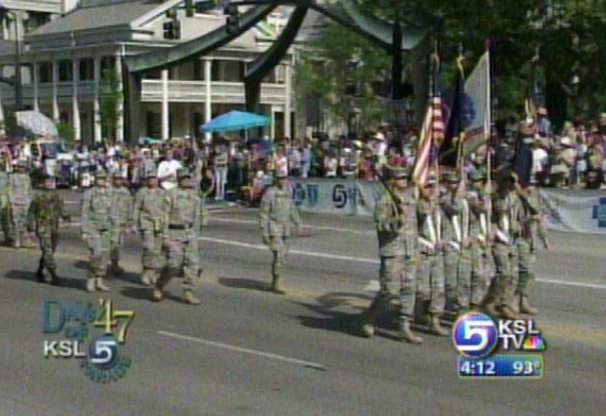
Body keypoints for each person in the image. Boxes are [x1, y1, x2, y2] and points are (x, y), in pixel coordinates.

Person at [360, 166, 422, 343]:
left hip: (410, 249)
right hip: (393, 251)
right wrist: (395, 222)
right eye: (400, 178)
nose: (404, 181)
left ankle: (405, 326)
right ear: (392, 181)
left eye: (405, 178)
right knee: (389, 291)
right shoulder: (385, 200)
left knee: (410, 289)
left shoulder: (410, 198)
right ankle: (370, 316)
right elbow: (380, 225)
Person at [154, 169, 203, 304]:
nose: (187, 180)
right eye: (183, 178)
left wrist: (197, 232)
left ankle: (188, 291)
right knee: (173, 265)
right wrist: (164, 236)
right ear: (179, 179)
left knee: (193, 264)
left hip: (190, 233)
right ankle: (160, 284)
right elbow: (163, 216)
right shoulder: (171, 195)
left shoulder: (194, 195)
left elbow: (198, 214)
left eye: (188, 178)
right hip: (174, 233)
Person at [483, 170, 520, 319]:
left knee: (512, 274)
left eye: (510, 182)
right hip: (499, 239)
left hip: (511, 239)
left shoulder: (514, 198)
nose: (508, 184)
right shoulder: (494, 199)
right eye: (505, 181)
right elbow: (496, 211)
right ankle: (490, 301)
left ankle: (504, 303)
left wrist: (518, 225)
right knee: (503, 273)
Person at [416, 176, 448, 336]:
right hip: (422, 252)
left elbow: (445, 226)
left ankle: (434, 320)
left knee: (439, 287)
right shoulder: (417, 206)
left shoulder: (438, 207)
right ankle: (419, 310)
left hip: (437, 252)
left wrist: (444, 240)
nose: (430, 189)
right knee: (423, 290)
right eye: (427, 186)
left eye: (432, 186)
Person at [259, 171, 301, 293]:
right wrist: (264, 231)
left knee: (283, 256)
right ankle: (278, 281)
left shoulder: (287, 191)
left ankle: (275, 279)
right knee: (278, 255)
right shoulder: (270, 193)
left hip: (285, 227)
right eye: (280, 178)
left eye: (284, 178)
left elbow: (292, 207)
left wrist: (297, 222)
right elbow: (264, 213)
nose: (282, 181)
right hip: (274, 226)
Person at [515, 179, 550, 315]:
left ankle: (523, 300)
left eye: (534, 186)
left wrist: (544, 238)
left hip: (532, 241)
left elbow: (540, 222)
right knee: (524, 272)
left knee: (530, 274)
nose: (531, 189)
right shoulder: (518, 202)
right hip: (521, 240)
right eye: (529, 185)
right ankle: (515, 300)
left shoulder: (535, 201)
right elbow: (514, 222)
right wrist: (529, 220)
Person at [28, 174, 69, 285]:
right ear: (43, 183)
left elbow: (61, 209)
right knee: (47, 250)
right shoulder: (38, 196)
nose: (50, 183)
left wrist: (66, 217)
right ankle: (53, 274)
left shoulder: (57, 196)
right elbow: (31, 212)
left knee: (50, 249)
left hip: (54, 227)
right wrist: (30, 228)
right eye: (48, 181)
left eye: (52, 181)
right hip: (43, 226)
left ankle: (40, 269)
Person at [441, 171, 472, 314]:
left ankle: (462, 309)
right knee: (451, 282)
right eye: (451, 183)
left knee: (464, 280)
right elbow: (454, 209)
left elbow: (476, 220)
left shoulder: (467, 201)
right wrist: (455, 195)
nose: (454, 186)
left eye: (456, 183)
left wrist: (472, 236)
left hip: (464, 244)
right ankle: (446, 305)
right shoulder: (443, 199)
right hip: (450, 243)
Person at [132, 170, 169, 286]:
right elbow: (136, 207)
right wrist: (134, 223)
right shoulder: (142, 192)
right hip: (146, 221)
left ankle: (154, 272)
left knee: (157, 249)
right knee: (149, 247)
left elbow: (167, 209)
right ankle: (146, 270)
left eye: (154, 178)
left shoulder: (162, 193)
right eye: (150, 178)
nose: (152, 181)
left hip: (159, 223)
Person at [81, 170, 113, 292]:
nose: (101, 181)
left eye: (103, 178)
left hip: (106, 228)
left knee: (105, 255)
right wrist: (84, 230)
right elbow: (85, 212)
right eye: (99, 178)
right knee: (96, 254)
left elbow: (113, 211)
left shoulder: (109, 193)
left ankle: (100, 278)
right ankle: (91, 278)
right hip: (93, 227)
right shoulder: (89, 193)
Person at [466, 170, 492, 310]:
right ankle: (474, 304)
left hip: (485, 238)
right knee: (478, 274)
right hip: (474, 238)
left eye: (481, 181)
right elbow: (482, 209)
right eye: (475, 181)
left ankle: (482, 301)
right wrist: (483, 194)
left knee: (487, 275)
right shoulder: (470, 196)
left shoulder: (486, 196)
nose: (478, 184)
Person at [109, 174, 133, 276]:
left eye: (120, 179)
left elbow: (130, 207)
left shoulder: (126, 192)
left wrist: (130, 223)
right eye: (116, 179)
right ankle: (111, 265)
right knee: (112, 244)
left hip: (122, 222)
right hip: (111, 222)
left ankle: (115, 264)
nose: (118, 181)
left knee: (119, 245)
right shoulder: (108, 191)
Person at [8, 161, 33, 248]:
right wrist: (11, 201)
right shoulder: (12, 177)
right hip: (16, 202)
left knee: (24, 222)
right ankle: (17, 240)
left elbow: (29, 190)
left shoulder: (27, 178)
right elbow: (10, 189)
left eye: (23, 167)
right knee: (16, 222)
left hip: (25, 202)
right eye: (19, 167)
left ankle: (24, 240)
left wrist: (29, 200)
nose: (21, 169)